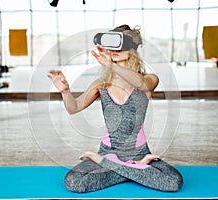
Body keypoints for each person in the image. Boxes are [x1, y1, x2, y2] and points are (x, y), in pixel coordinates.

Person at [48, 24, 183, 193]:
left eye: (120, 45)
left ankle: (116, 165)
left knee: (174, 181)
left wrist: (111, 65)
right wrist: (65, 91)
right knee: (74, 181)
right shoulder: (101, 84)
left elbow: (139, 83)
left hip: (139, 153)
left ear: (132, 49)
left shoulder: (149, 79)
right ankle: (135, 169)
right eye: (111, 46)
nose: (114, 50)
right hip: (107, 152)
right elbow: (73, 108)